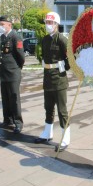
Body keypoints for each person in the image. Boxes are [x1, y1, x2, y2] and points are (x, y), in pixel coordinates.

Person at [34, 12, 70, 152]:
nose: (48, 25)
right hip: (47, 77)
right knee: (48, 107)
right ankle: (47, 133)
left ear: (56, 24)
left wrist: (64, 68)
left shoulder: (61, 39)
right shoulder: (45, 39)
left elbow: (70, 58)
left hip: (59, 79)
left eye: (50, 23)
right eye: (47, 22)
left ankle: (65, 137)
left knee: (62, 110)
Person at [0, 15, 25, 134]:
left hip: (13, 72)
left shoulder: (15, 37)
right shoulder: (3, 36)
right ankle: (7, 120)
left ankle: (18, 123)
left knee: (14, 98)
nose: (1, 26)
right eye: (0, 24)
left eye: (3, 24)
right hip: (4, 72)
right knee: (5, 98)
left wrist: (17, 68)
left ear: (9, 25)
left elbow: (21, 56)